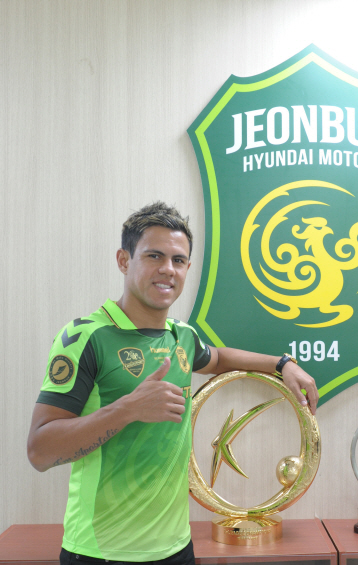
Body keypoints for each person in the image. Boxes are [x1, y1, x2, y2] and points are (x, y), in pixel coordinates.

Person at [27, 202, 318, 565]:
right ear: (123, 260)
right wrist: (127, 409)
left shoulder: (182, 337)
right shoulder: (85, 337)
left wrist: (282, 364)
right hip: (101, 553)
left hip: (177, 549)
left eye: (178, 260)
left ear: (187, 269)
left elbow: (218, 358)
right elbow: (40, 452)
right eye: (154, 256)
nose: (167, 269)